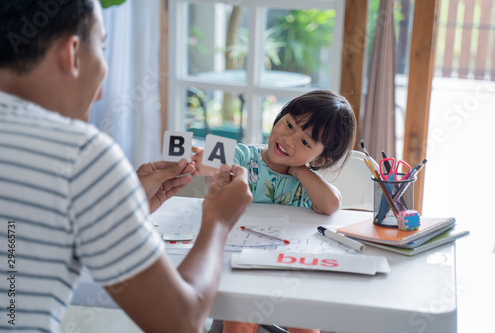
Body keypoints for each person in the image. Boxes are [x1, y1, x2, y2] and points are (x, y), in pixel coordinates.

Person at [0, 1, 252, 333]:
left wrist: (115, 208)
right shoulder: (80, 153)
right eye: (102, 48)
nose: (101, 92)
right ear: (71, 53)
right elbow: (182, 321)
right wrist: (218, 222)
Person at [192, 90, 357, 333]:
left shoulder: (307, 182)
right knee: (240, 317)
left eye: (305, 142)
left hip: (289, 270)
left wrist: (300, 171)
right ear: (279, 117)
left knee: (305, 318)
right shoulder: (244, 157)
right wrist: (203, 162)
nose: (289, 139)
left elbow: (331, 204)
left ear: (320, 160)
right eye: (289, 124)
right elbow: (215, 165)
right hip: (240, 264)